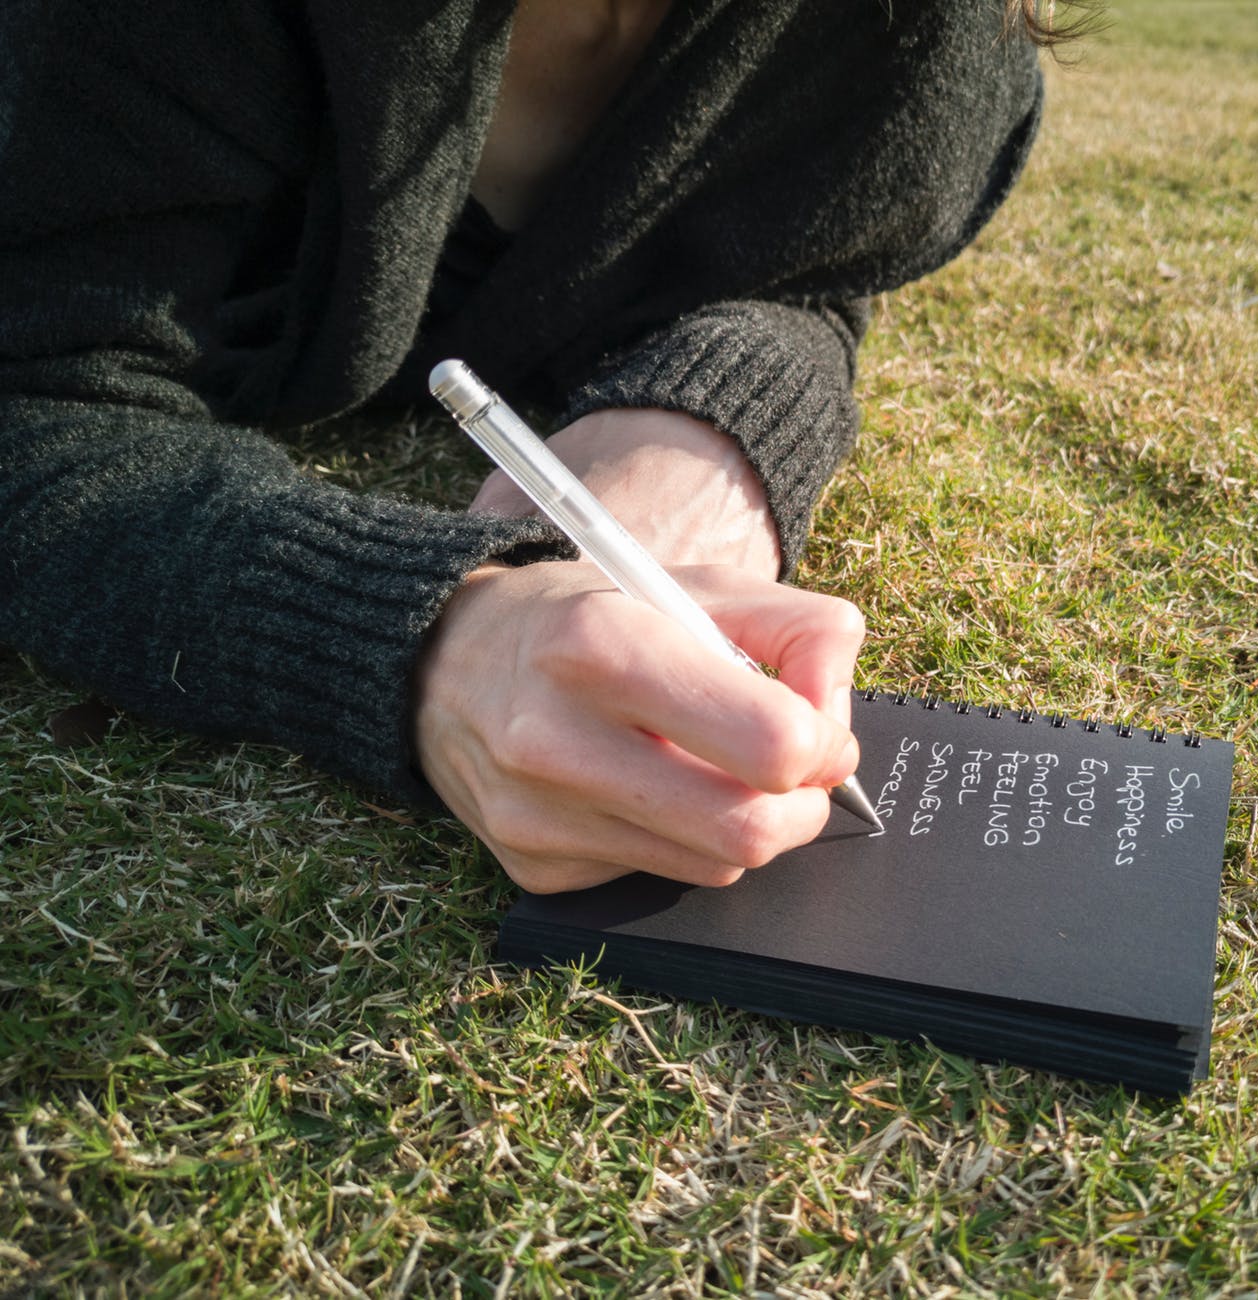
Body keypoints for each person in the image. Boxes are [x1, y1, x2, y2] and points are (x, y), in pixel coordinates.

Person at [0, 0, 1054, 894]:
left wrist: (708, 423)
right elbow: (38, 378)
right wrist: (419, 635)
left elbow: (807, 261)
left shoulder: (929, 38)